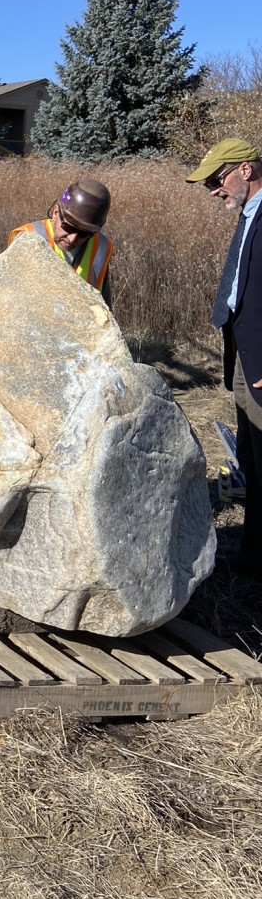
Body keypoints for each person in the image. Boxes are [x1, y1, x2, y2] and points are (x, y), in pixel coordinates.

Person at [186, 138, 262, 578]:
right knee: (251, 459)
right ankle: (252, 556)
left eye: (217, 179)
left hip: (261, 360)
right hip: (243, 354)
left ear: (246, 170)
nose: (214, 190)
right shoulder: (249, 212)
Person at [7, 178, 114, 302]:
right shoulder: (27, 239)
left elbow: (104, 304)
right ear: (56, 212)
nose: (72, 238)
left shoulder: (102, 247)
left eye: (84, 233)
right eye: (68, 227)